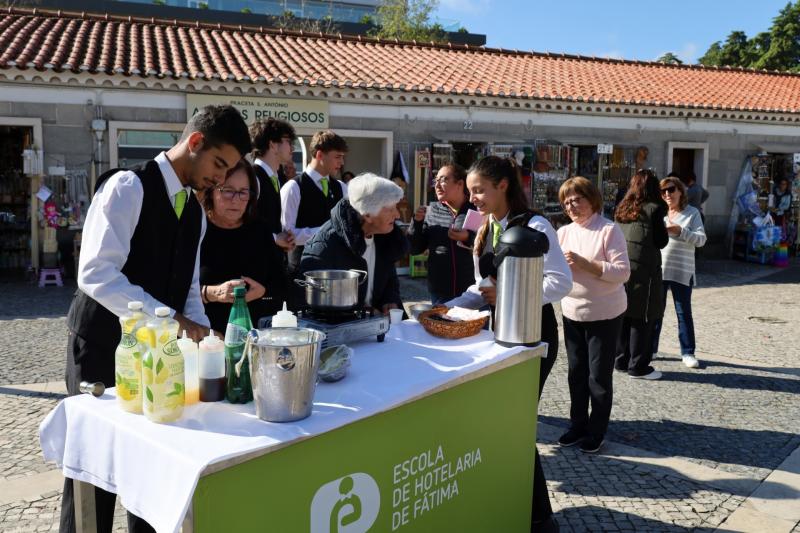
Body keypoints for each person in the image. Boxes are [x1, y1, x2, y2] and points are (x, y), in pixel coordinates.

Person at [63, 104, 250, 533]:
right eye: (219, 164)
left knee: (152, 464)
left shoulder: (196, 214)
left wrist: (204, 340)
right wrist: (173, 322)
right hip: (102, 348)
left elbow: (189, 290)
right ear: (195, 142)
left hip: (159, 355)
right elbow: (95, 273)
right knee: (94, 473)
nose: (220, 180)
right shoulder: (128, 187)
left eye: (229, 172)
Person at [444, 156, 572, 533]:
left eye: (479, 190)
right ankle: (511, 503)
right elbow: (482, 289)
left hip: (533, 338)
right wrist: (447, 308)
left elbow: (560, 282)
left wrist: (513, 294)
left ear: (503, 185)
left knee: (516, 424)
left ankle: (539, 517)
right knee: (503, 424)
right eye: (470, 192)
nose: (474, 198)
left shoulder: (535, 225)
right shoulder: (485, 229)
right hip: (495, 338)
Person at [556, 177, 630, 455]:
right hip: (572, 311)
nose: (571, 205)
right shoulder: (563, 233)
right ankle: (577, 424)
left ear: (591, 198)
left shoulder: (609, 230)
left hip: (605, 313)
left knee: (598, 377)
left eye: (577, 199)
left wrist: (588, 265)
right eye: (566, 201)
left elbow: (623, 272)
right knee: (576, 373)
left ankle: (596, 431)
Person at [299, 173, 408, 314]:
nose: (397, 215)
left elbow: (389, 278)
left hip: (382, 327)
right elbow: (313, 303)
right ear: (367, 214)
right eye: (390, 209)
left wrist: (390, 300)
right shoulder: (324, 246)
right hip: (344, 331)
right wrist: (364, 313)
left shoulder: (385, 236)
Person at [200, 160, 288, 332]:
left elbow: (281, 285)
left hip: (254, 337)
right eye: (228, 191)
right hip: (206, 339)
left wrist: (263, 292)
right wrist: (212, 293)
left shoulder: (259, 230)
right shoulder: (196, 229)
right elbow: (173, 291)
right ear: (211, 191)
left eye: (243, 192)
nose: (236, 200)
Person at [614, 169, 669, 380]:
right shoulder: (654, 209)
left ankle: (620, 360)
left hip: (623, 266)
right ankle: (638, 366)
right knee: (643, 316)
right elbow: (661, 241)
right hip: (645, 271)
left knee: (625, 313)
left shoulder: (623, 208)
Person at [651, 176, 706, 368]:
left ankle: (688, 352)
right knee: (656, 312)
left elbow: (701, 240)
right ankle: (652, 349)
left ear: (680, 191)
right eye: (663, 191)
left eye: (671, 189)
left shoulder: (692, 213)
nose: (667, 194)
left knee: (683, 313)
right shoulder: (658, 212)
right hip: (659, 270)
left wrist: (680, 231)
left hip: (682, 271)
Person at [407, 163, 477, 304]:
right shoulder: (431, 211)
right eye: (436, 180)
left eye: (443, 180)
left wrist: (468, 237)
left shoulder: (476, 209)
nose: (437, 185)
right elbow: (414, 249)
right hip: (440, 292)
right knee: (443, 326)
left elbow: (489, 242)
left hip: (473, 290)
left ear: (460, 184)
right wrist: (417, 223)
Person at [281, 130, 348, 274]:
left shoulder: (342, 188)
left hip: (335, 269)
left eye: (342, 157)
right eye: (337, 157)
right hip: (302, 271)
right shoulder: (293, 188)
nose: (341, 163)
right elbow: (287, 235)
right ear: (319, 154)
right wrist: (326, 232)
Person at [249, 118, 296, 252]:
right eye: (288, 141)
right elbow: (241, 225)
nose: (292, 147)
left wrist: (283, 240)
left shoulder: (277, 177)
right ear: (273, 145)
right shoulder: (253, 177)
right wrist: (275, 238)